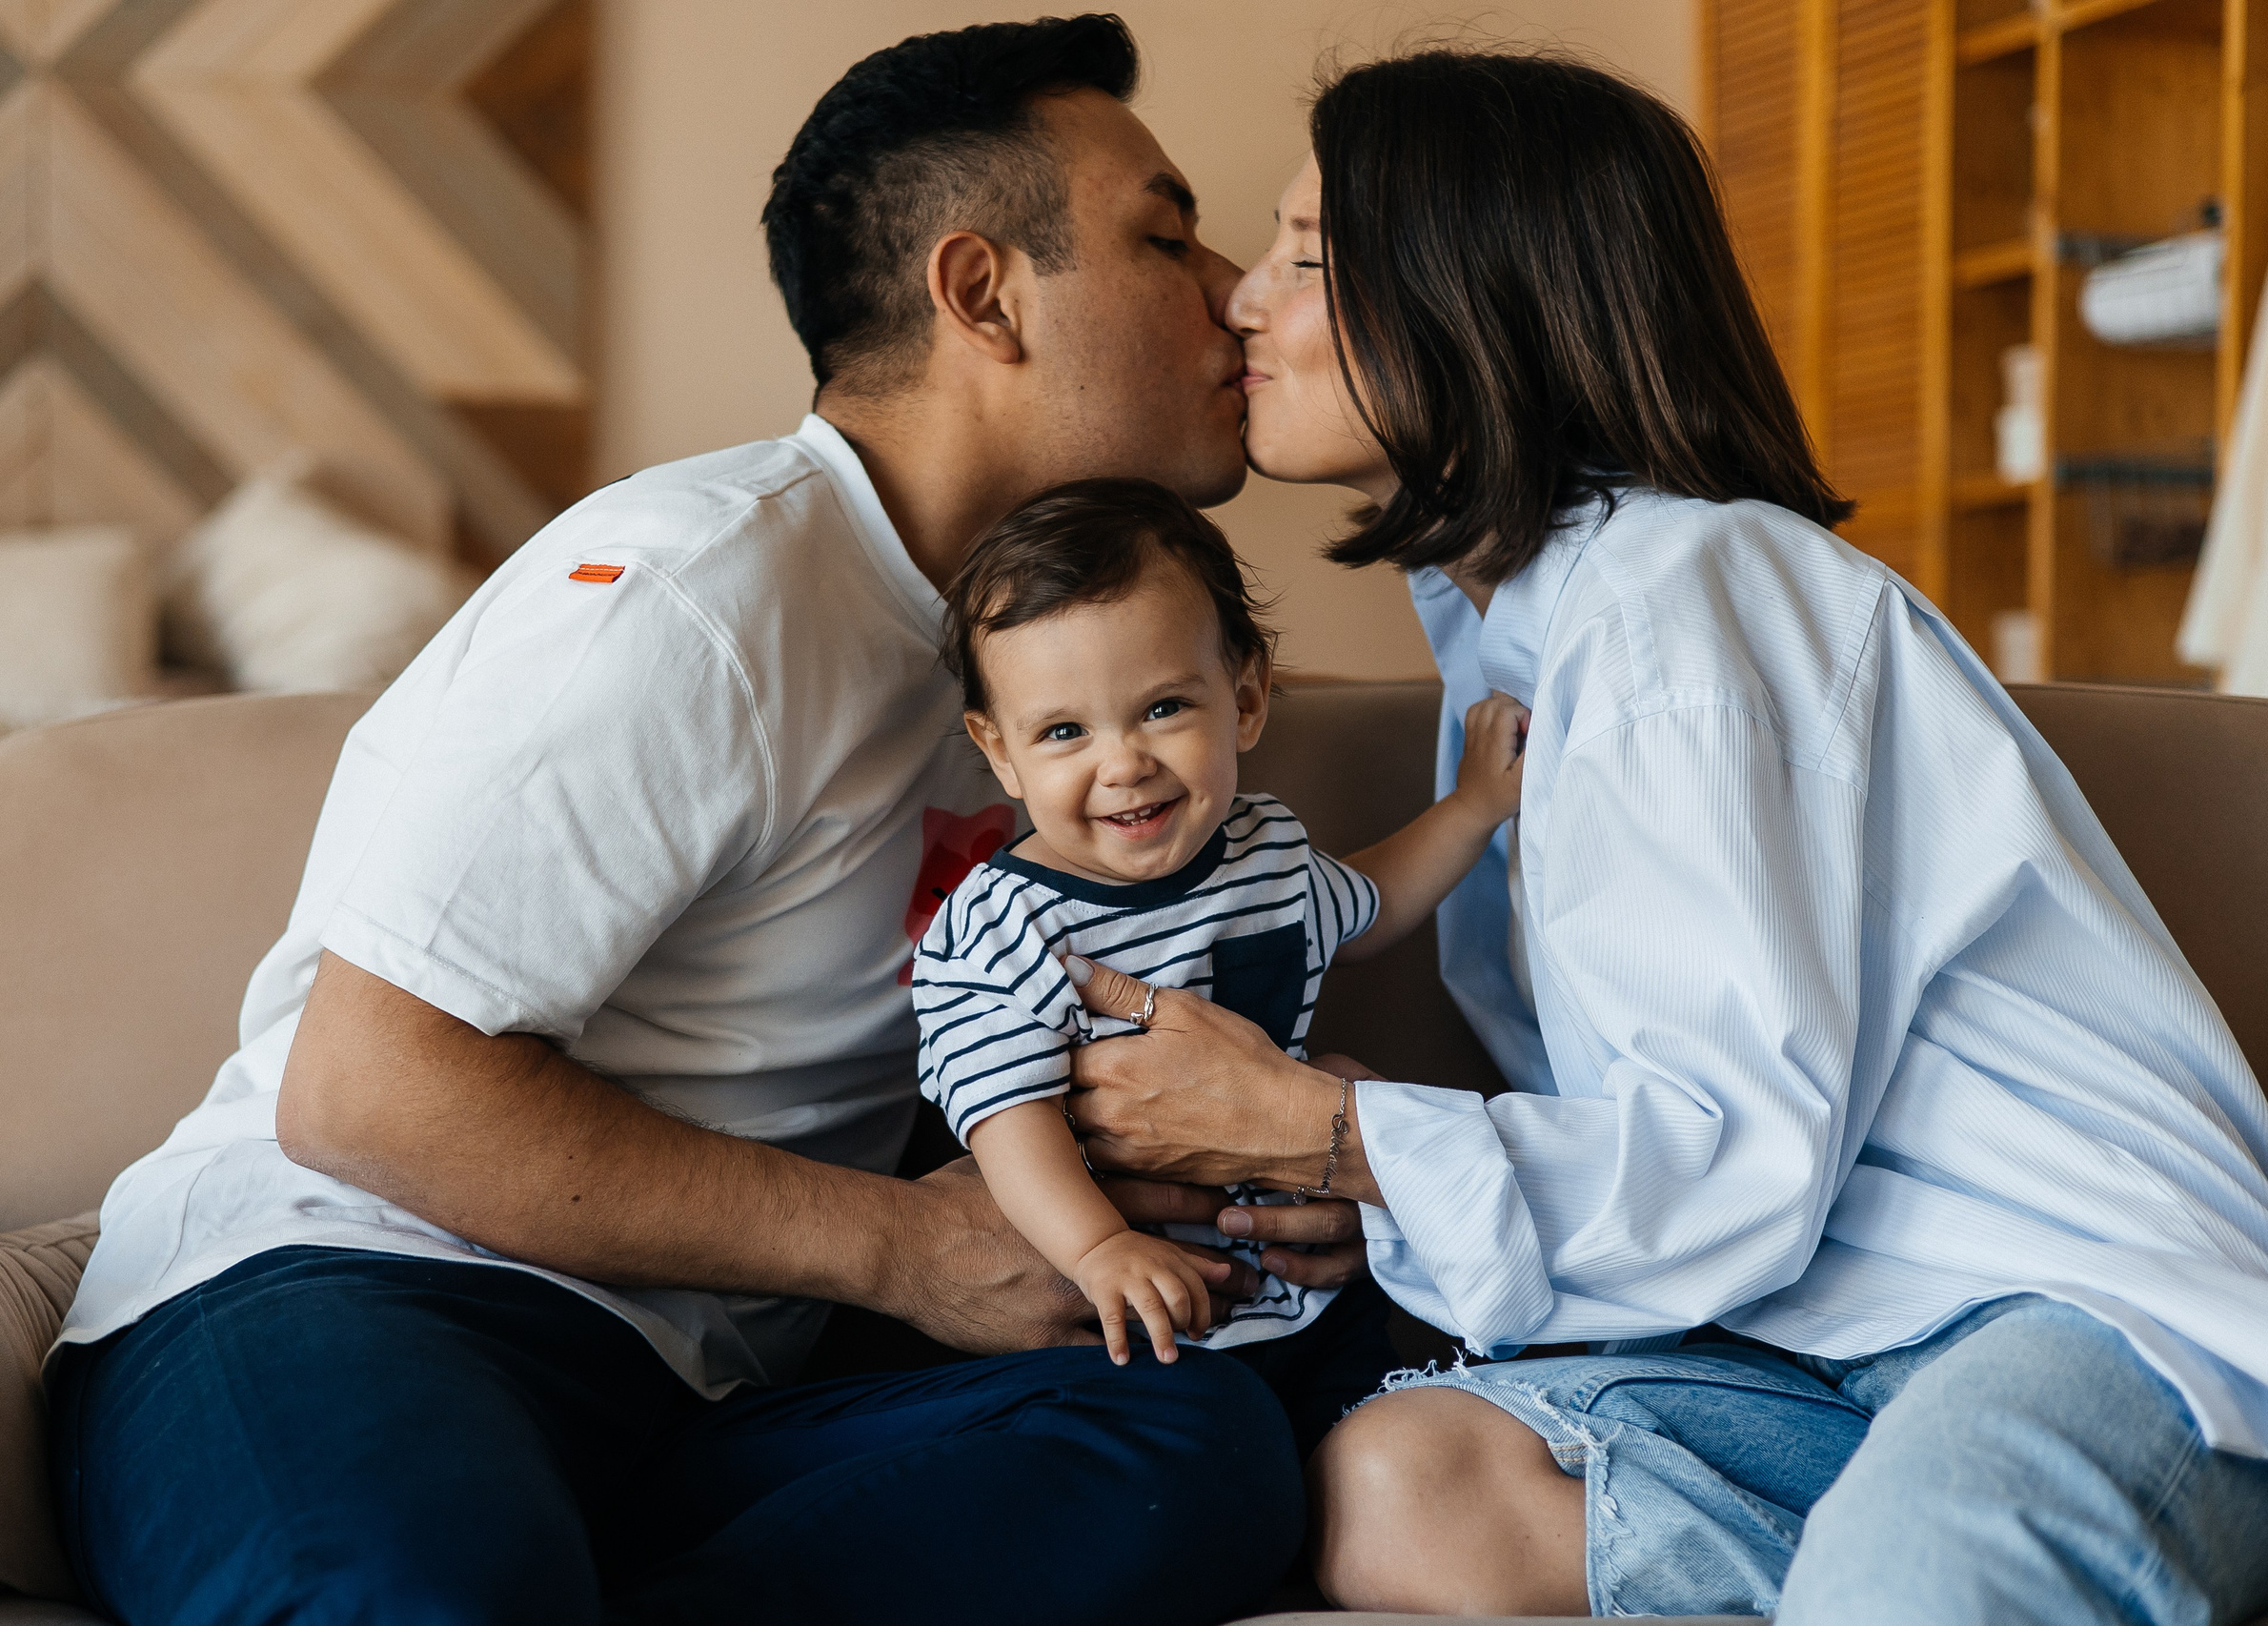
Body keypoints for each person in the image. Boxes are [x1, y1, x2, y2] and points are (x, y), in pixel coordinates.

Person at [1059, 46, 2268, 1624]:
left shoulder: (1686, 603)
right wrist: (1361, 1157)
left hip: (2070, 1308)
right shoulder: (1531, 649)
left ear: (1475, 292)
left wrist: (1326, 1133)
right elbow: (1684, 1120)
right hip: (1816, 1342)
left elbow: (1730, 1158)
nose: (1244, 298)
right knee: (1401, 1491)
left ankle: (2106, 1522)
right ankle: (2049, 1560)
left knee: (1925, 1569)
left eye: (1306, 259)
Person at [46, 18, 1355, 1625]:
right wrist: (899, 1250)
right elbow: (366, 1090)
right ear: (981, 293)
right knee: (422, 1594)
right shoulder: (688, 592)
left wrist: (1281, 1151)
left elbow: (1022, 1038)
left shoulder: (1073, 685)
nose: (1232, 289)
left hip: (691, 1383)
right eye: (1167, 236)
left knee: (1192, 1444)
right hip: (349, 1290)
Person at [914, 478, 1523, 1440]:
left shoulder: (1266, 850)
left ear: (1244, 698)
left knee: (1428, 1418)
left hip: (1307, 1285)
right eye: (1064, 731)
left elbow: (1369, 909)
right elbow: (1006, 1119)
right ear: (1000, 752)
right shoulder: (1007, 926)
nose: (1122, 763)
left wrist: (1475, 807)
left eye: (1161, 707)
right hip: (1131, 1303)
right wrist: (1098, 1244)